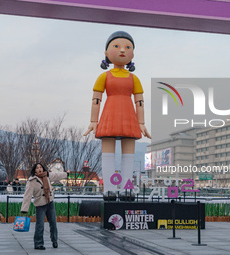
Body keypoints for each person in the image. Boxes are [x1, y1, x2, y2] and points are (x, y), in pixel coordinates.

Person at [84, 31, 151, 200]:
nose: (122, 50)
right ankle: (109, 189)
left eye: (127, 47)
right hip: (110, 114)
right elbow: (96, 100)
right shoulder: (103, 76)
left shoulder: (134, 78)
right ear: (106, 53)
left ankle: (126, 189)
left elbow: (140, 102)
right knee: (108, 152)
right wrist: (93, 120)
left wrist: (141, 123)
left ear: (133, 54)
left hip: (129, 117)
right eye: (117, 46)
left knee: (129, 152)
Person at [21, 163, 69, 250]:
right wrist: (24, 209)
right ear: (34, 170)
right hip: (40, 205)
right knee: (40, 225)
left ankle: (54, 240)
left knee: (53, 223)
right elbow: (27, 195)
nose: (39, 169)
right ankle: (38, 244)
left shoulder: (47, 176)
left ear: (43, 169)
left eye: (40, 167)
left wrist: (66, 174)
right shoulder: (32, 181)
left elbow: (56, 175)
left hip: (50, 202)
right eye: (37, 168)